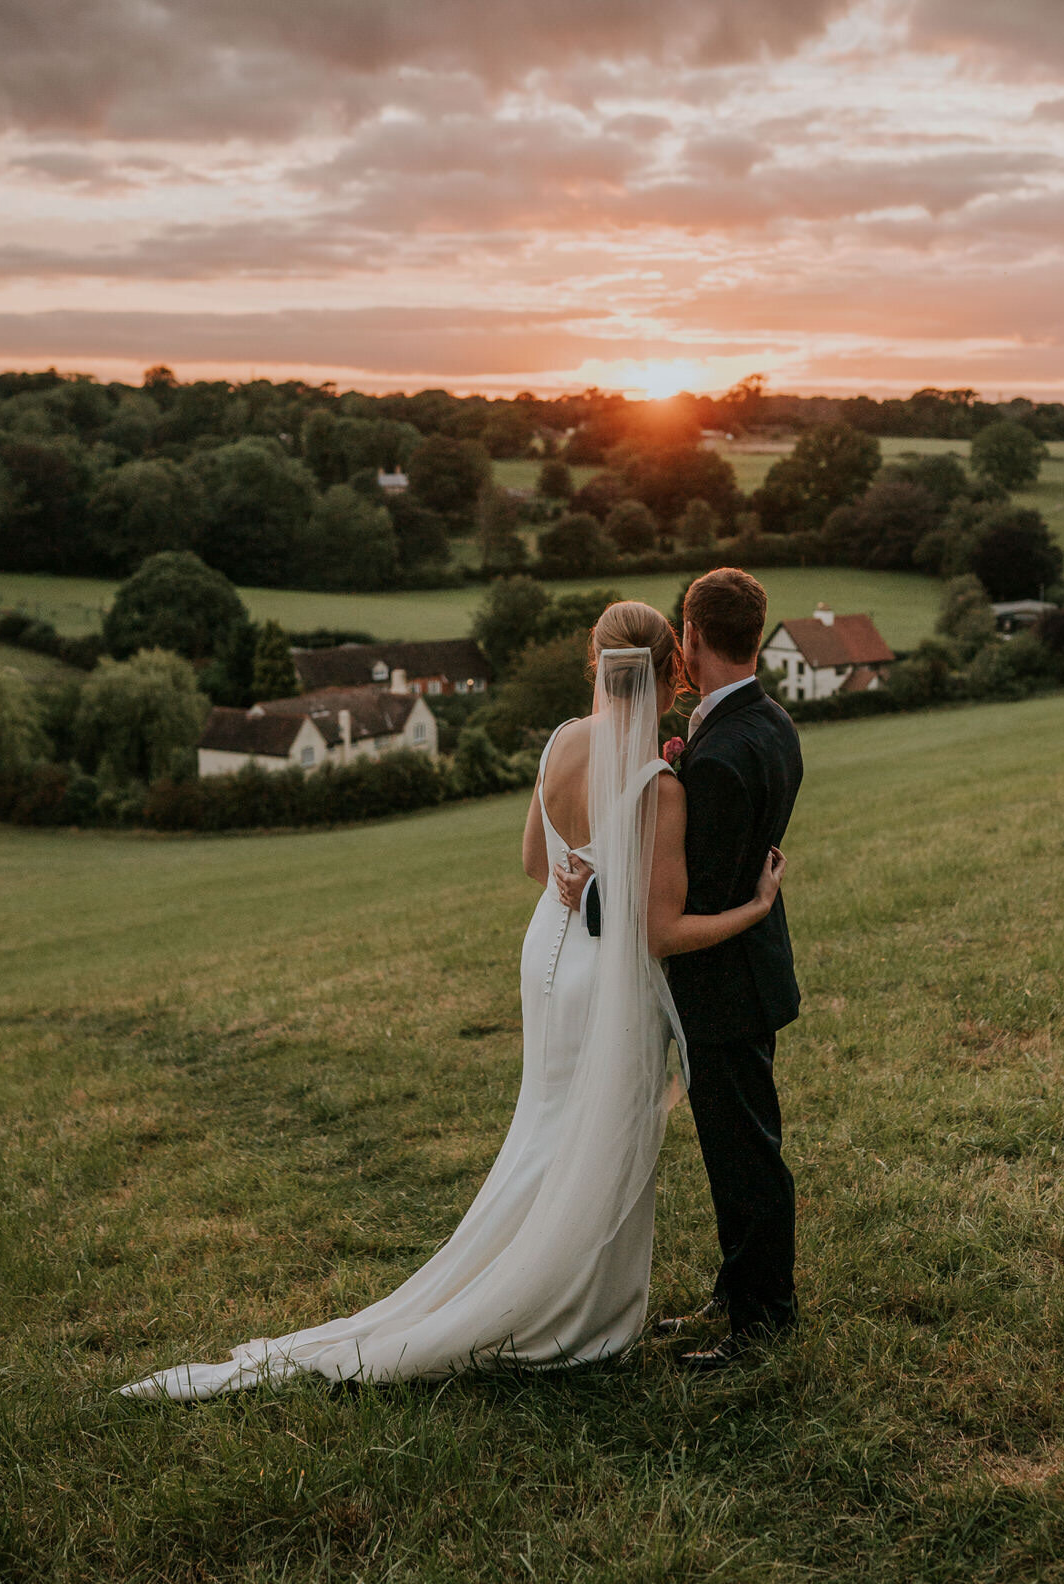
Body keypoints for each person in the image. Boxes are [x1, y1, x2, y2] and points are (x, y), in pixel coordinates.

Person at [120, 600, 785, 1401]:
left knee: (544, 1125)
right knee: (593, 1134)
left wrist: (584, 888)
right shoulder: (658, 784)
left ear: (596, 662)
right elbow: (660, 931)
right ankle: (567, 1303)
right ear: (670, 670)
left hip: (546, 952)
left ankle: (521, 1267)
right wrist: (753, 909)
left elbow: (540, 862)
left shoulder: (562, 743)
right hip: (603, 976)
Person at [557, 569, 803, 1369]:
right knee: (740, 1148)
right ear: (756, 636)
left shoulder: (720, 758)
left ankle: (762, 1322)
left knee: (745, 1157)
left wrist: (594, 891)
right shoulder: (769, 724)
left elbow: (666, 912)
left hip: (724, 986)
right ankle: (738, 1293)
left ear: (692, 640)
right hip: (746, 975)